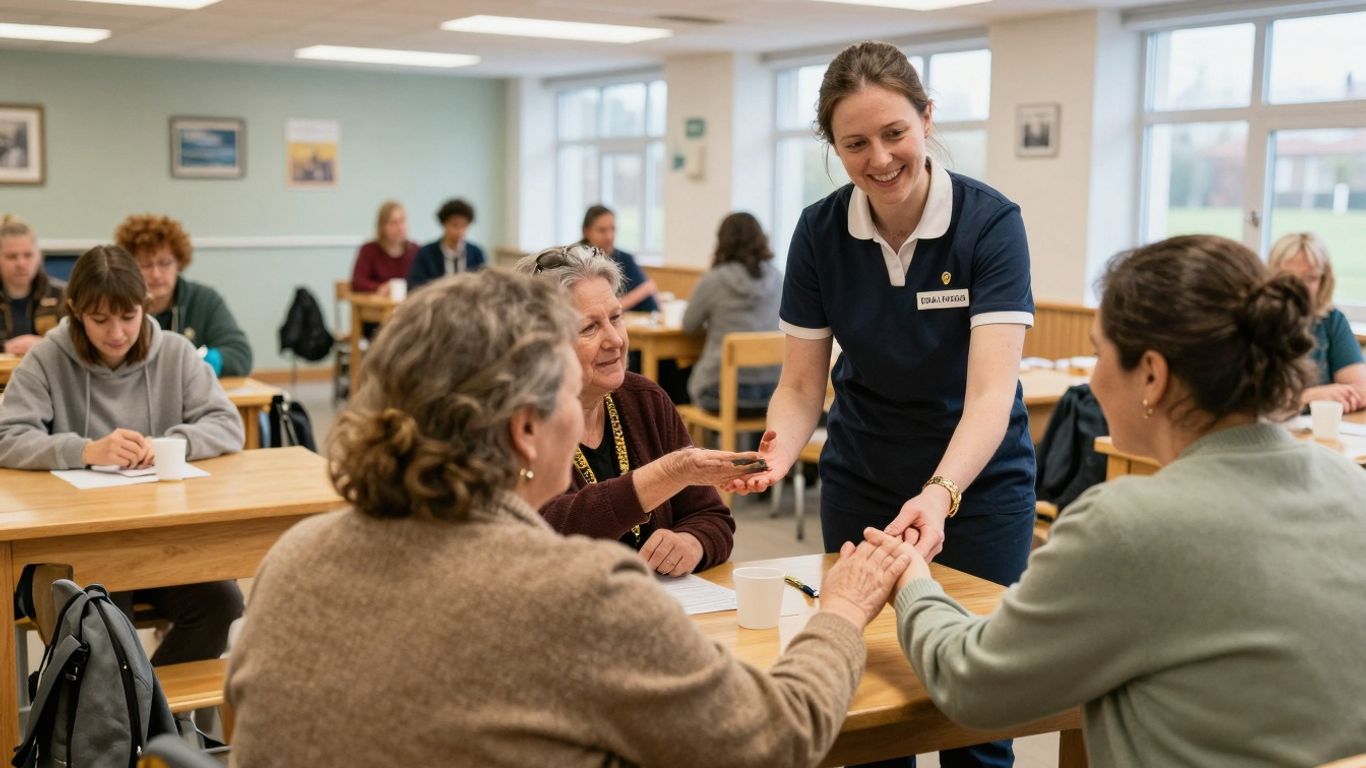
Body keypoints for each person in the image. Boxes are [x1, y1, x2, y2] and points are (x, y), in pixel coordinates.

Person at [226, 268, 916, 766]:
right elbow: (779, 739)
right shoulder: (577, 593)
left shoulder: (295, 556)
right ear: (526, 430)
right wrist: (844, 611)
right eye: (566, 386)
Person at [887, 234, 1366, 767]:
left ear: (1153, 376)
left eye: (1098, 352)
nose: (1092, 378)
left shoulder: (1129, 526)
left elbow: (971, 684)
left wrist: (913, 582)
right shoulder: (1351, 488)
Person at [733, 41, 1035, 768]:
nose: (880, 158)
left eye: (894, 133)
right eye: (854, 143)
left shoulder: (989, 224)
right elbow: (803, 385)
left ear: (927, 120)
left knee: (977, 700)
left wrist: (941, 493)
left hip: (979, 487)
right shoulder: (819, 231)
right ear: (833, 148)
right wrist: (773, 454)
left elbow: (992, 393)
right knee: (865, 686)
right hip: (863, 477)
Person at [0, 245, 245, 664]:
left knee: (222, 601)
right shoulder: (46, 358)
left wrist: (167, 443)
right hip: (77, 546)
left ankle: (147, 717)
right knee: (105, 616)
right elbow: (7, 435)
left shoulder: (175, 352)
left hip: (163, 539)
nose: (116, 332)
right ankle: (126, 716)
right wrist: (85, 450)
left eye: (128, 317)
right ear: (75, 310)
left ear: (144, 305)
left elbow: (228, 425)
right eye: (100, 320)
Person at [517, 245, 757, 574]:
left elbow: (713, 518)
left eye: (616, 318)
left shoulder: (644, 399)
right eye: (589, 327)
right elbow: (547, 529)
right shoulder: (521, 420)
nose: (615, 339)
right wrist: (671, 472)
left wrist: (691, 542)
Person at [114, 213, 253, 377]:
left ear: (179, 263)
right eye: (145, 264)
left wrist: (192, 363)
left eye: (165, 263)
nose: (156, 274)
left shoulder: (204, 299)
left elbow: (240, 355)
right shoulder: (116, 303)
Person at [682, 212, 783, 412]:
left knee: (683, 380)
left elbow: (689, 325)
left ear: (722, 241)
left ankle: (711, 444)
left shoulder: (714, 280)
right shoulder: (778, 278)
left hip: (719, 390)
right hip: (774, 390)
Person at [1267, 232, 1366, 412]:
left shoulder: (1331, 321)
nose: (1300, 287)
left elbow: (1361, 390)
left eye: (1311, 278)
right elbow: (1250, 402)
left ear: (1324, 280)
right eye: (1290, 278)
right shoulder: (1256, 321)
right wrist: (1307, 397)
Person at [0, 214, 63, 357]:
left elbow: (79, 342)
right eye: (12, 256)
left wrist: (46, 344)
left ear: (39, 257)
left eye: (28, 255)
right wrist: (5, 347)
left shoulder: (62, 295)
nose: (21, 264)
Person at [581, 204, 660, 313]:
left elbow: (649, 287)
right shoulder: (578, 260)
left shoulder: (625, 258)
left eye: (613, 229)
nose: (609, 236)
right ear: (586, 232)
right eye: (602, 230)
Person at [408, 198, 486, 288]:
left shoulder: (476, 253)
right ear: (444, 224)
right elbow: (415, 285)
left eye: (464, 225)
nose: (460, 231)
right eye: (455, 225)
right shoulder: (426, 253)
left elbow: (483, 285)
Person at [350, 200, 418, 295]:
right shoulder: (369, 250)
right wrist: (380, 288)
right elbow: (357, 283)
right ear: (382, 227)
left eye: (402, 221)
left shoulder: (416, 250)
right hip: (377, 307)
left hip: (409, 306)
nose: (400, 227)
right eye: (394, 223)